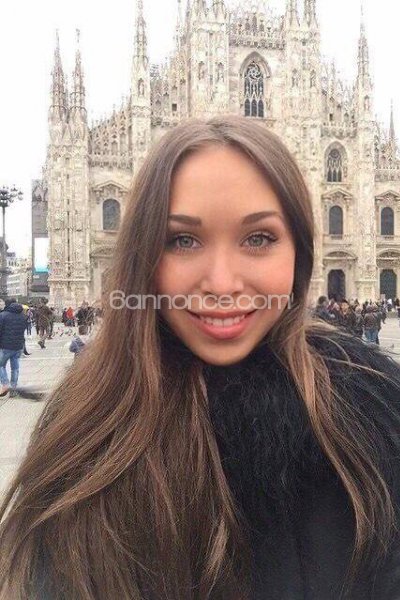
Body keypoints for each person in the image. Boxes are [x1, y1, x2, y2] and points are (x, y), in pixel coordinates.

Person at [1, 116, 400, 600]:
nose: (222, 284)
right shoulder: (84, 433)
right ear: (142, 252)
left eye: (259, 238)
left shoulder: (375, 425)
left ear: (300, 249)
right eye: (183, 240)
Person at [0, 298, 27, 398]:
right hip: (18, 346)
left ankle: (5, 384)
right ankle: (13, 389)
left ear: (7, 305)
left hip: (5, 346)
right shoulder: (23, 316)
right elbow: (24, 329)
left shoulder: (3, 315)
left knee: (1, 365)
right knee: (15, 368)